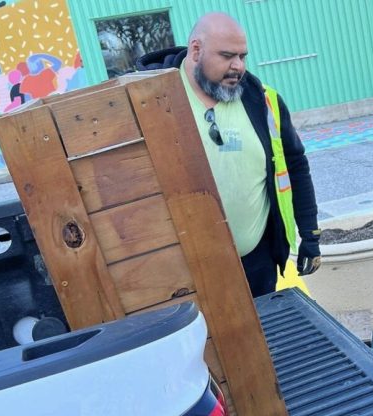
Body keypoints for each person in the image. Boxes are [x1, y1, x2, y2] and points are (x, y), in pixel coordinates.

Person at [136, 12, 321, 297]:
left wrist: (309, 233)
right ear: (196, 50)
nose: (238, 67)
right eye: (227, 56)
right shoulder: (150, 100)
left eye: (242, 57)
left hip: (258, 263)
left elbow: (296, 164)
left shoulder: (263, 100)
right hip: (185, 274)